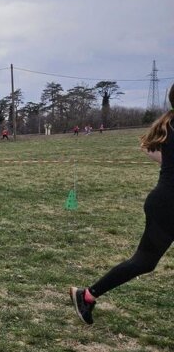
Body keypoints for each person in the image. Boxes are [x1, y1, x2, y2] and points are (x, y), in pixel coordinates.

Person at [70, 84, 174, 325]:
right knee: (143, 261)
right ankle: (87, 295)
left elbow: (150, 150)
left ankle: (87, 295)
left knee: (144, 262)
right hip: (168, 207)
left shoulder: (169, 125)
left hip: (162, 202)